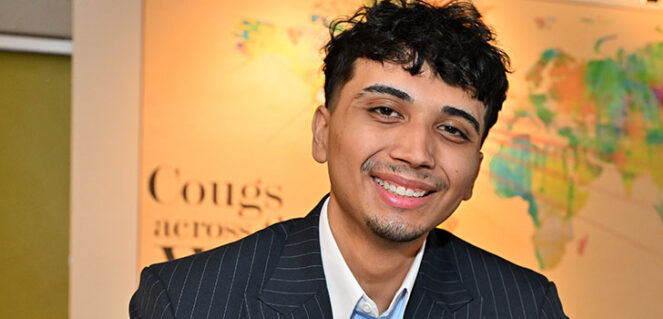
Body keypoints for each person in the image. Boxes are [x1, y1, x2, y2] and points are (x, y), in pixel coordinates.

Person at [129, 1, 569, 318]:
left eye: (452, 130)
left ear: (474, 171)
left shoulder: (526, 307)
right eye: (385, 111)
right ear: (323, 132)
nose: (416, 153)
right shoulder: (187, 302)